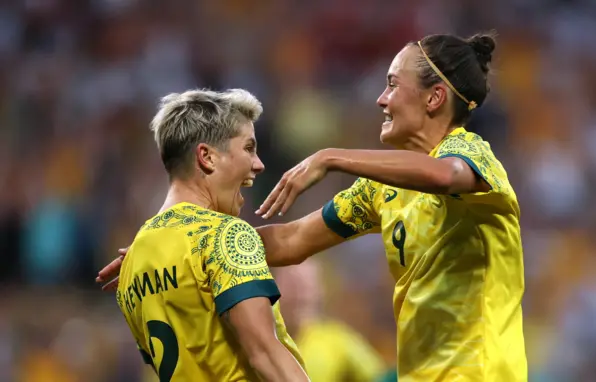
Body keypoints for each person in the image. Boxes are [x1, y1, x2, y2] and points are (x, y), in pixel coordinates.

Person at [98, 32, 527, 381]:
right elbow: (293, 238)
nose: (381, 99)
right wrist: (176, 244)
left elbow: (449, 176)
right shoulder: (381, 191)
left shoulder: (471, 154)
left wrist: (330, 157)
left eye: (393, 84)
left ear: (434, 99)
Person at [112, 89, 308, 382]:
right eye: (249, 148)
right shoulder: (223, 235)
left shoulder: (130, 267)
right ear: (207, 156)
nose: (259, 164)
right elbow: (265, 354)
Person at [274, 259, 386, 382]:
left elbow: (380, 377)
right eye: (292, 285)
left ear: (319, 292)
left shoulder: (338, 341)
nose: (299, 295)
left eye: (305, 287)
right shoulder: (259, 340)